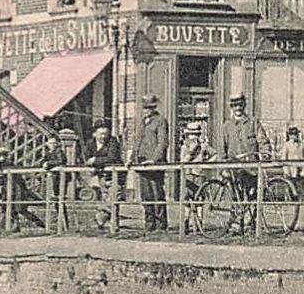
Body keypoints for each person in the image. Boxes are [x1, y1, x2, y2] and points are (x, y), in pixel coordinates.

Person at [218, 94, 271, 235]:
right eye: (234, 105)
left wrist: (265, 153)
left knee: (253, 195)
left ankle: (250, 224)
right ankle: (235, 225)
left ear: (244, 105)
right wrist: (223, 167)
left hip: (251, 167)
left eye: (240, 105)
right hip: (234, 167)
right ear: (231, 107)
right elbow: (222, 149)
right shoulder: (227, 126)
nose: (237, 108)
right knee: (237, 197)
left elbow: (262, 141)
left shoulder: (253, 123)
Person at [129, 94, 170, 232]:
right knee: (145, 194)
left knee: (156, 193)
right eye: (145, 108)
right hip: (141, 162)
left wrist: (154, 159)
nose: (147, 110)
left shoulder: (160, 121)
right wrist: (131, 158)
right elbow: (137, 141)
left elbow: (162, 143)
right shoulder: (142, 122)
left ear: (154, 108)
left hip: (154, 164)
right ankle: (149, 221)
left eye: (150, 107)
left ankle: (161, 223)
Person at [86, 119, 124, 231]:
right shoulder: (90, 143)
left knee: (114, 198)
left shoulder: (112, 141)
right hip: (101, 175)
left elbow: (112, 158)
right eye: (101, 134)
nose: (103, 137)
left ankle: (109, 222)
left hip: (115, 175)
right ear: (95, 134)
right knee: (105, 197)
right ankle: (104, 220)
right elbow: (87, 158)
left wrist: (95, 160)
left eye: (106, 134)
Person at [178, 122, 214, 233]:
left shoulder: (204, 146)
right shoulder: (185, 147)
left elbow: (215, 154)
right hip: (188, 175)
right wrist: (191, 152)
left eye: (196, 135)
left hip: (200, 175)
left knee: (199, 200)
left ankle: (199, 223)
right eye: (191, 135)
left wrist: (207, 162)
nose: (193, 137)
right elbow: (183, 161)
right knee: (187, 200)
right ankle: (185, 223)